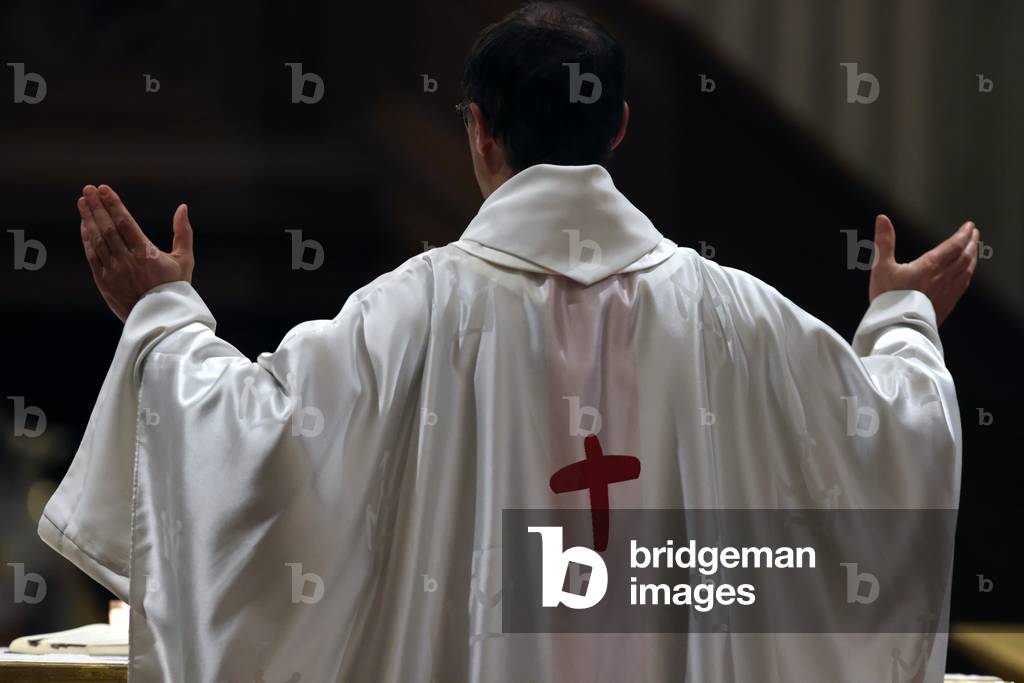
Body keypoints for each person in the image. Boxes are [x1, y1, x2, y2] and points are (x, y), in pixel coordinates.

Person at [42, 3, 978, 681]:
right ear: (616, 127)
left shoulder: (407, 312)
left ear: (480, 135)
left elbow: (246, 442)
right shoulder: (735, 316)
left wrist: (162, 316)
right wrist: (903, 319)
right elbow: (882, 439)